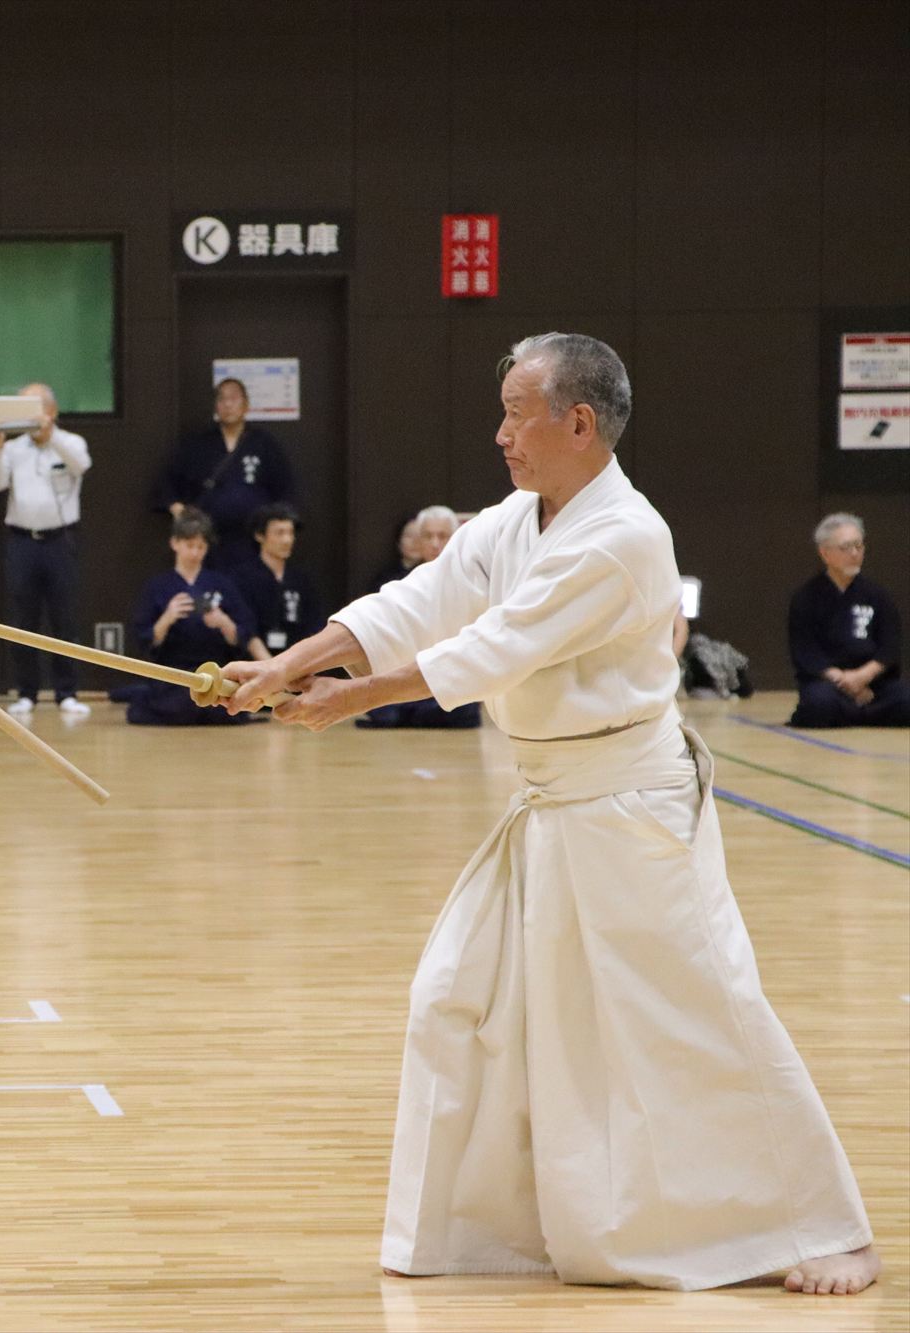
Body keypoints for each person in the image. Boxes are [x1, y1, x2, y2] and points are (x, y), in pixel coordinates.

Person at [218, 332, 877, 1297]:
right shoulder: (516, 518)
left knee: (696, 1014)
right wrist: (291, 662)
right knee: (455, 994)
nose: (501, 435)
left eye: (516, 416)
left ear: (578, 422)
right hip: (551, 802)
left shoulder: (626, 536)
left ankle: (826, 1225)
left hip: (632, 811)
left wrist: (349, 697)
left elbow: (498, 646)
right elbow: (423, 598)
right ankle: (481, 1229)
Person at [0, 382, 91, 717]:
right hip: (22, 541)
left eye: (36, 407)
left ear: (51, 411)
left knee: (64, 617)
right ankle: (26, 692)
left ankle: (67, 693)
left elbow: (81, 464)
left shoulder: (70, 442)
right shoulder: (14, 448)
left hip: (60, 540)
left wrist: (50, 436)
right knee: (22, 619)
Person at [155, 377, 296, 582]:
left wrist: (277, 529)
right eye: (222, 399)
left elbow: (285, 489)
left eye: (234, 399)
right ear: (215, 406)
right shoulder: (197, 444)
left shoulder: (264, 443)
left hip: (253, 541)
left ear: (246, 405)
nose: (228, 404)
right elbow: (167, 483)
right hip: (209, 540)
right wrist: (177, 509)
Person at [124, 507, 255, 726]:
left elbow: (244, 634)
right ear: (175, 543)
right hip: (174, 673)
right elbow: (144, 639)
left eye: (201, 546)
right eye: (189, 545)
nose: (195, 553)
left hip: (215, 671)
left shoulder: (222, 584)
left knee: (220, 707)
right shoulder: (158, 586)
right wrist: (167, 618)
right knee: (179, 703)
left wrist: (223, 622)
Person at [359, 504, 482, 730]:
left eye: (442, 536)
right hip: (409, 676)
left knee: (460, 712)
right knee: (386, 713)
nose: (435, 544)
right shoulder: (399, 584)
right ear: (419, 540)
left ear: (455, 537)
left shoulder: (473, 581)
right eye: (428, 536)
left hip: (451, 678)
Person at [787, 512, 907, 727]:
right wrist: (844, 680)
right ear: (825, 553)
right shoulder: (806, 598)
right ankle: (864, 712)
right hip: (830, 684)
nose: (854, 553)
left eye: (859, 546)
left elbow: (890, 646)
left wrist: (862, 677)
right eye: (846, 547)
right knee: (819, 704)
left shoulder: (878, 596)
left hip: (874, 684)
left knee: (905, 699)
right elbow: (805, 652)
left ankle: (855, 712)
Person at [236, 502, 322, 659]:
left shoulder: (300, 579)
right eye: (279, 533)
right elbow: (245, 627)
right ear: (260, 535)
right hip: (254, 662)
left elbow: (313, 624)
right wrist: (271, 666)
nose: (287, 540)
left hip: (296, 661)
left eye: (290, 533)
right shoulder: (243, 578)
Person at [369, 513, 424, 592]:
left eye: (421, 535)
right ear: (398, 542)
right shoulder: (386, 578)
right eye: (409, 536)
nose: (415, 541)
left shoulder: (433, 574)